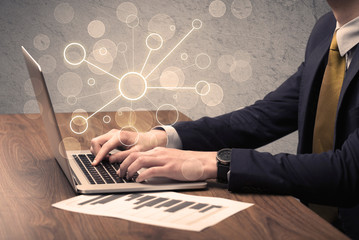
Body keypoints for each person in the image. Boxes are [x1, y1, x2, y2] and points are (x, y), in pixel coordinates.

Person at [91, 0, 359, 238]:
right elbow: (262, 117)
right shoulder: (327, 30)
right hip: (312, 224)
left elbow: (348, 172)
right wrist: (159, 138)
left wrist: (214, 161)